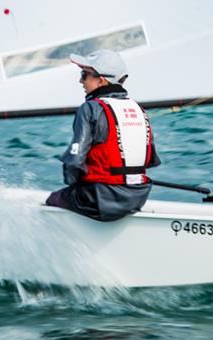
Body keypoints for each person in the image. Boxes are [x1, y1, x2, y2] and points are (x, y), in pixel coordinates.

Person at [46, 49, 160, 222]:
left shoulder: (90, 108)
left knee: (52, 200)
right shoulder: (139, 109)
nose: (80, 80)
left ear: (101, 80)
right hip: (139, 196)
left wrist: (74, 182)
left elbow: (74, 163)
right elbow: (151, 160)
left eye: (85, 74)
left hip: (100, 199)